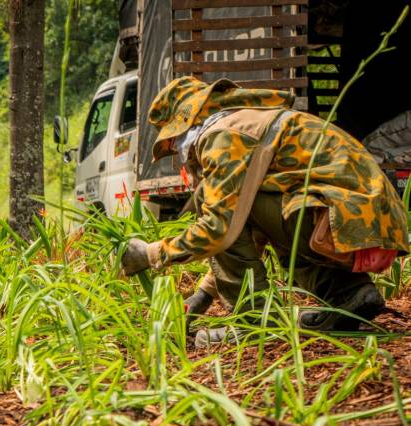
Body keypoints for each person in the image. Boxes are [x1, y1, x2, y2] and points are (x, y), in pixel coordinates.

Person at [121, 77, 408, 346]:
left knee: (223, 209)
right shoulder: (250, 121)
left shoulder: (222, 135)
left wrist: (151, 254)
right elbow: (253, 226)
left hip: (338, 224)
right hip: (373, 228)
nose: (176, 150)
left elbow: (220, 229)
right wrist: (203, 295)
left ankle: (253, 322)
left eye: (172, 142)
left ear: (183, 125)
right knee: (265, 206)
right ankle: (350, 293)